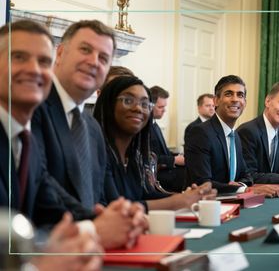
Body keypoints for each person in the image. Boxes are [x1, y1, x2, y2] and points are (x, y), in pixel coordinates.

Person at [31, 20, 147, 249]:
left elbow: (99, 198)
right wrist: (95, 225)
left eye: (103, 58)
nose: (94, 61)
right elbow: (40, 186)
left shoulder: (93, 129)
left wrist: (122, 214)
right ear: (60, 53)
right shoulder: (34, 107)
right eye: (85, 49)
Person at [0, 20, 102, 270]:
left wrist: (106, 220)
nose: (34, 70)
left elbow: (52, 210)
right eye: (19, 57)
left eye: (44, 62)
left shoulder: (28, 142)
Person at [93, 76, 216, 211]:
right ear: (108, 104)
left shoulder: (134, 156)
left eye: (145, 104)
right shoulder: (97, 153)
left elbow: (145, 196)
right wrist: (180, 201)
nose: (138, 108)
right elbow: (115, 208)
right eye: (128, 101)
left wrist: (191, 196)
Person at [185, 75, 279, 196]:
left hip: (235, 203)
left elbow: (246, 176)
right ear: (216, 101)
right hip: (205, 207)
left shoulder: (235, 136)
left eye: (240, 95)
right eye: (229, 94)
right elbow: (202, 183)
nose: (235, 99)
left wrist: (242, 185)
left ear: (244, 103)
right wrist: (244, 190)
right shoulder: (199, 133)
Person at [149, 86, 186, 192]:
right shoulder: (144, 129)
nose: (164, 110)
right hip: (157, 175)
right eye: (160, 107)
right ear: (150, 106)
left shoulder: (155, 125)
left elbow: (163, 152)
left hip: (165, 170)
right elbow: (148, 157)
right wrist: (174, 160)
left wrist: (178, 156)